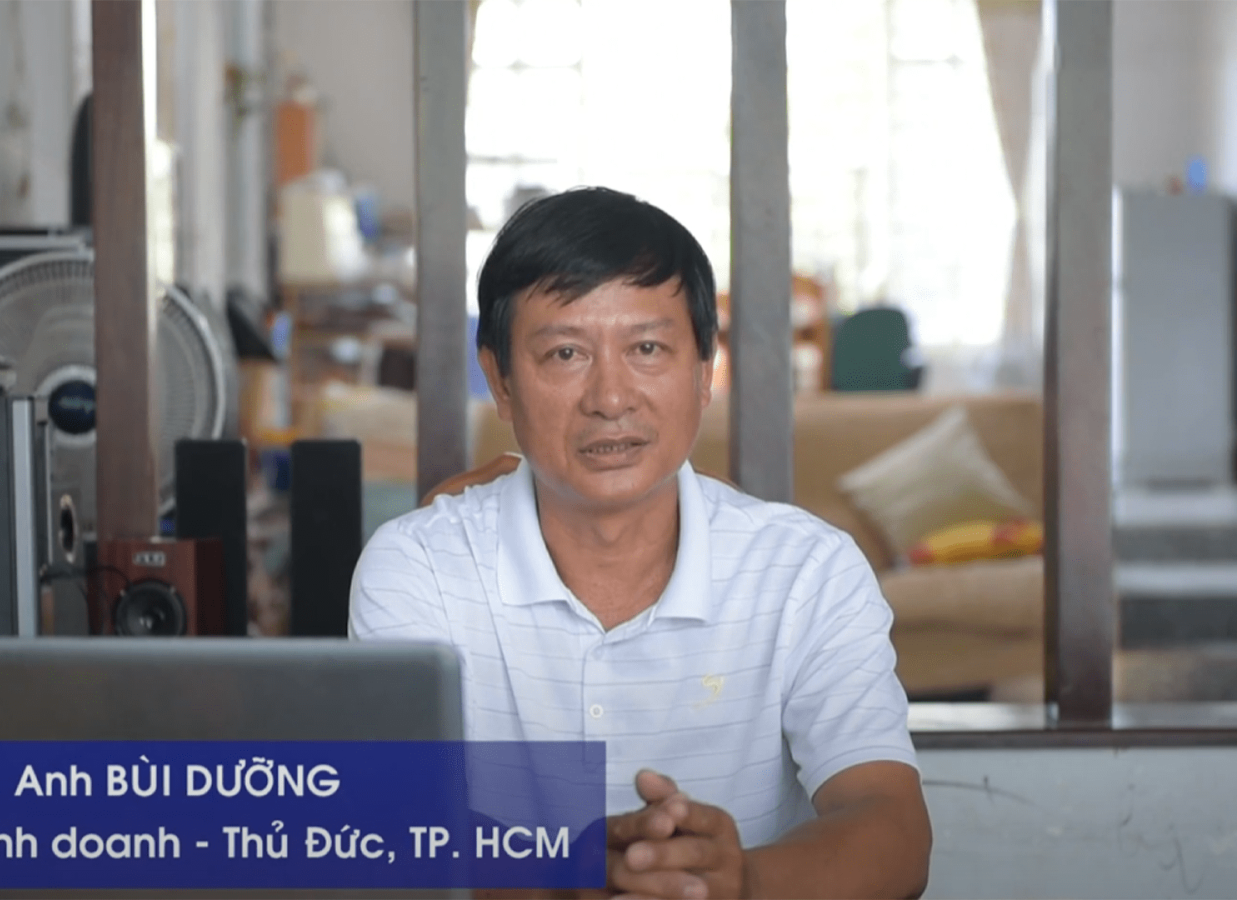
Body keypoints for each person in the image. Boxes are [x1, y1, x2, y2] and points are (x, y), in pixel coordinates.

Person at [348, 187, 931, 899]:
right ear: (500, 380)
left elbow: (891, 825)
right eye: (565, 353)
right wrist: (576, 874)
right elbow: (392, 831)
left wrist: (740, 881)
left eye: (647, 348)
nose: (611, 398)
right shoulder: (417, 567)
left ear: (703, 369)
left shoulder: (808, 571)